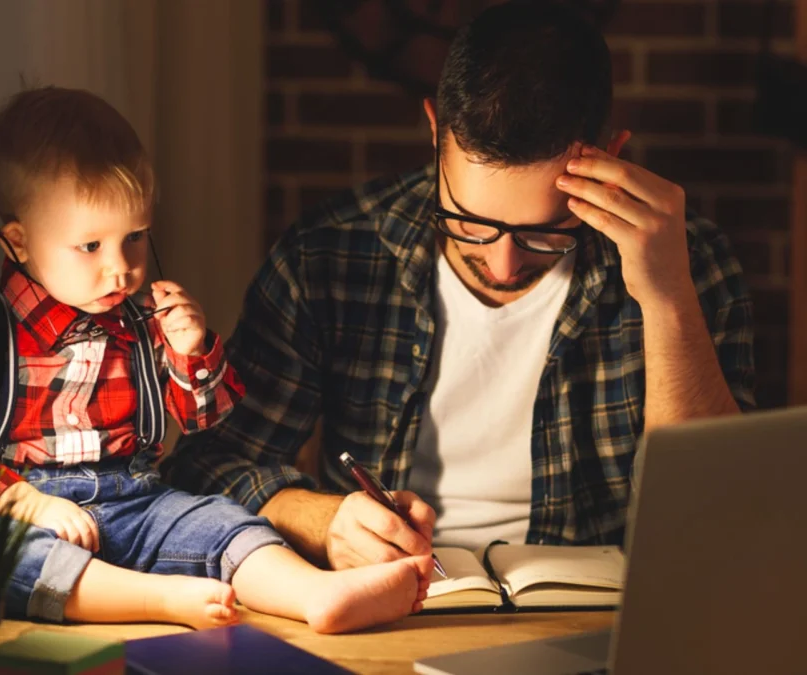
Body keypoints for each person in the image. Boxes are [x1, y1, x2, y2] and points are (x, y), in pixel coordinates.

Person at [165, 2, 754, 569]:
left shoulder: (685, 262)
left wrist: (668, 299)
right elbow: (209, 462)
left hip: (599, 625)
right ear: (434, 131)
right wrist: (325, 522)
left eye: (545, 232)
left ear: (611, 157)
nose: (502, 265)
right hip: (397, 609)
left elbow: (716, 515)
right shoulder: (331, 254)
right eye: (470, 223)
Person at [0, 86, 431, 634]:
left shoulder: (143, 325)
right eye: (91, 246)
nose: (121, 269)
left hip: (140, 499)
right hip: (37, 510)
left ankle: (314, 593)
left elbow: (205, 420)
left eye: (134, 237)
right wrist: (23, 501)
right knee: (1, 558)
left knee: (222, 520)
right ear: (18, 243)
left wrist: (191, 352)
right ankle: (155, 597)